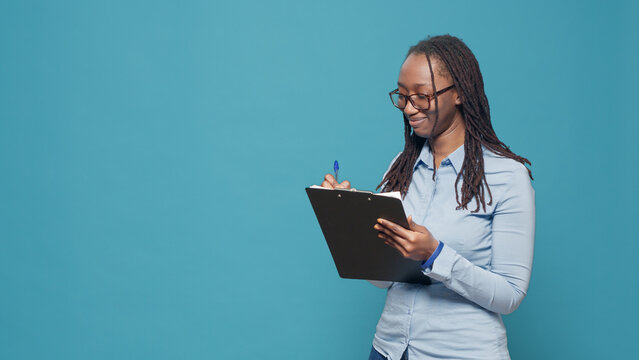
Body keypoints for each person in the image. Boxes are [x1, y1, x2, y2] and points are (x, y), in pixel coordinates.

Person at [320, 34, 535, 360]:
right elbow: (382, 280)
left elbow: (510, 295)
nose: (408, 108)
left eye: (421, 96)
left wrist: (435, 255)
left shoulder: (506, 177)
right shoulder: (401, 167)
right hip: (389, 349)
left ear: (460, 93)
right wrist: (350, 221)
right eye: (402, 96)